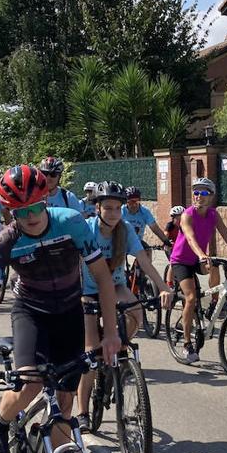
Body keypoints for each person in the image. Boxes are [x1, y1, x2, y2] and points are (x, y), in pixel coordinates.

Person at [0, 165, 121, 453]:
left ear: (46, 200)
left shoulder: (72, 223)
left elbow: (103, 278)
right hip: (31, 313)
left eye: (36, 207)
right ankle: (0, 425)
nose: (31, 216)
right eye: (21, 212)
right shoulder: (3, 244)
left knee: (64, 401)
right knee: (30, 385)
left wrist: (111, 333)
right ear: (8, 212)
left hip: (69, 311)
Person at [74, 181, 171, 432]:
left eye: (117, 208)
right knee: (90, 354)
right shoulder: (87, 229)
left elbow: (144, 262)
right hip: (88, 292)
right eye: (108, 208)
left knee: (135, 311)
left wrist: (163, 287)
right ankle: (83, 412)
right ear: (97, 208)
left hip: (115, 287)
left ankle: (119, 347)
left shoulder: (125, 229)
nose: (114, 213)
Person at [167, 177, 227, 365]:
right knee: (190, 298)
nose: (198, 196)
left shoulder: (213, 215)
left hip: (199, 258)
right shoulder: (187, 215)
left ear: (211, 197)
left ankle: (214, 303)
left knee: (215, 265)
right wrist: (202, 254)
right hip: (181, 261)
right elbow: (190, 237)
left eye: (204, 193)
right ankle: (187, 343)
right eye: (196, 192)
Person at [121, 186, 168, 261]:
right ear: (126, 202)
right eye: (131, 202)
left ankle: (140, 271)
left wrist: (166, 241)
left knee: (148, 252)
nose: (134, 205)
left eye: (137, 202)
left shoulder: (145, 212)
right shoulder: (121, 211)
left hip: (136, 242)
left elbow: (155, 228)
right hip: (121, 241)